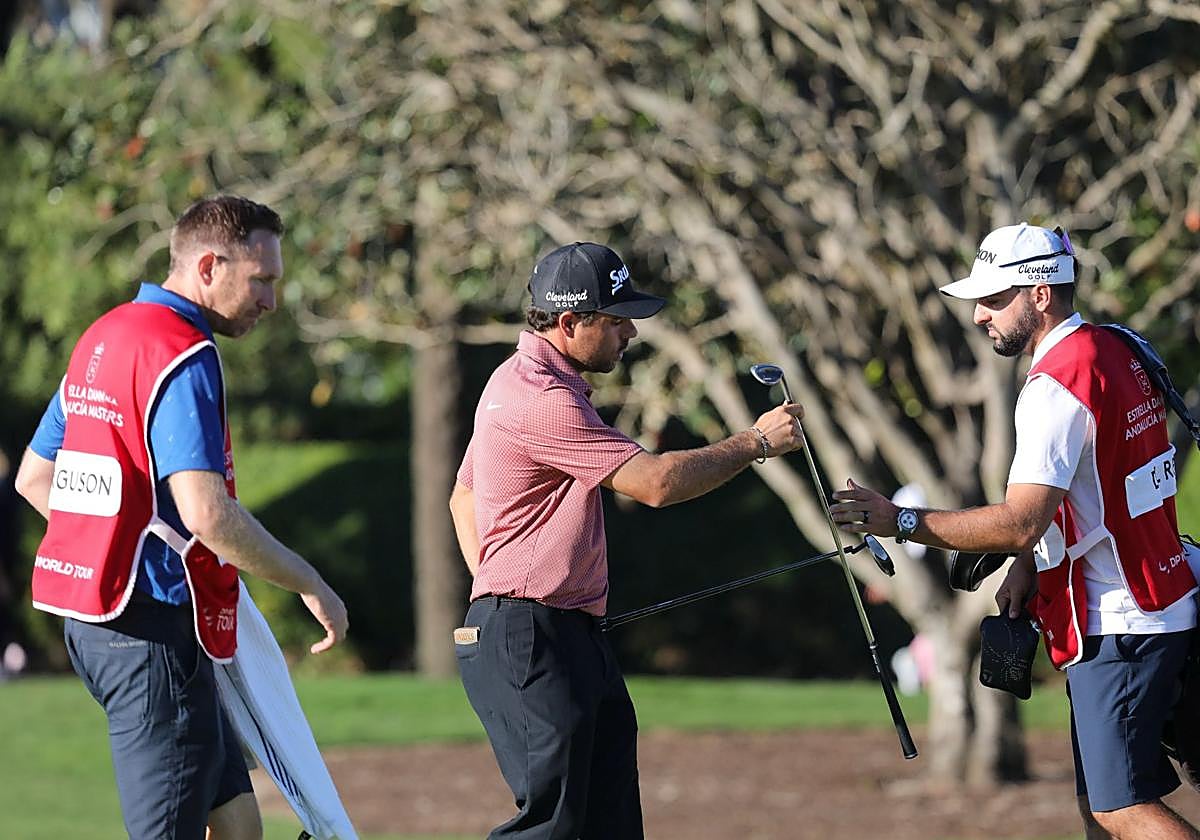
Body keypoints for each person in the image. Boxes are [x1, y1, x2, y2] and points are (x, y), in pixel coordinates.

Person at [829, 223, 1199, 840]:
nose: (979, 316)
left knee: (1119, 809)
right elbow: (1099, 487)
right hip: (1161, 598)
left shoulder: (1054, 384)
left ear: (1041, 294)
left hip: (1119, 622)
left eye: (995, 298)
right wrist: (1030, 563)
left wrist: (899, 521)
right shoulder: (1119, 347)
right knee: (1099, 812)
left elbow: (1021, 520)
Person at [14, 195, 349, 840]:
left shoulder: (104, 335)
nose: (271, 300)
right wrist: (309, 581)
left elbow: (36, 476)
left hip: (94, 624)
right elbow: (207, 514)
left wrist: (106, 539)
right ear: (208, 266)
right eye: (262, 281)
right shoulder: (182, 351)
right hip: (148, 636)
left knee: (238, 823)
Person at [448, 241, 806, 839]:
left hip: (564, 632)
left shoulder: (525, 382)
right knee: (550, 829)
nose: (631, 334)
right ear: (569, 322)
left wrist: (495, 584)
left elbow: (464, 497)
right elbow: (655, 484)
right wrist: (756, 442)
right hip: (529, 636)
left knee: (609, 825)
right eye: (617, 321)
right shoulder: (538, 398)